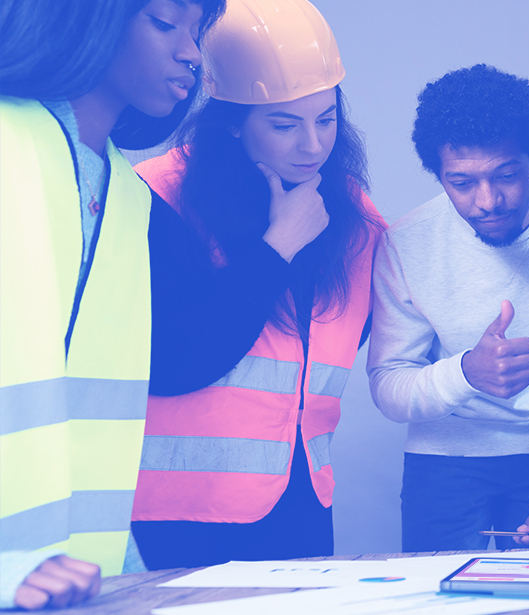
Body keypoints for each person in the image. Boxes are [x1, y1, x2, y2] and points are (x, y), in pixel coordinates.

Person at [128, 0, 384, 569]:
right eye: (284, 124)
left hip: (303, 504)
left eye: (326, 118)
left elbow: (349, 338)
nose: (313, 145)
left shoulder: (351, 214)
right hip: (182, 514)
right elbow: (175, 358)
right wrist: (277, 250)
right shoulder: (155, 197)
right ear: (232, 122)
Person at [0, 0, 225, 609]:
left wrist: (120, 566)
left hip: (73, 574)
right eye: (163, 22)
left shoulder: (127, 195)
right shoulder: (8, 146)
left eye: (197, 29)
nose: (191, 52)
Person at [367, 64, 529, 552]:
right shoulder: (407, 242)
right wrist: (466, 374)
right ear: (438, 175)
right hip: (444, 457)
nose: (487, 201)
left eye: (506, 175)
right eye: (461, 183)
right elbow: (387, 384)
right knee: (437, 601)